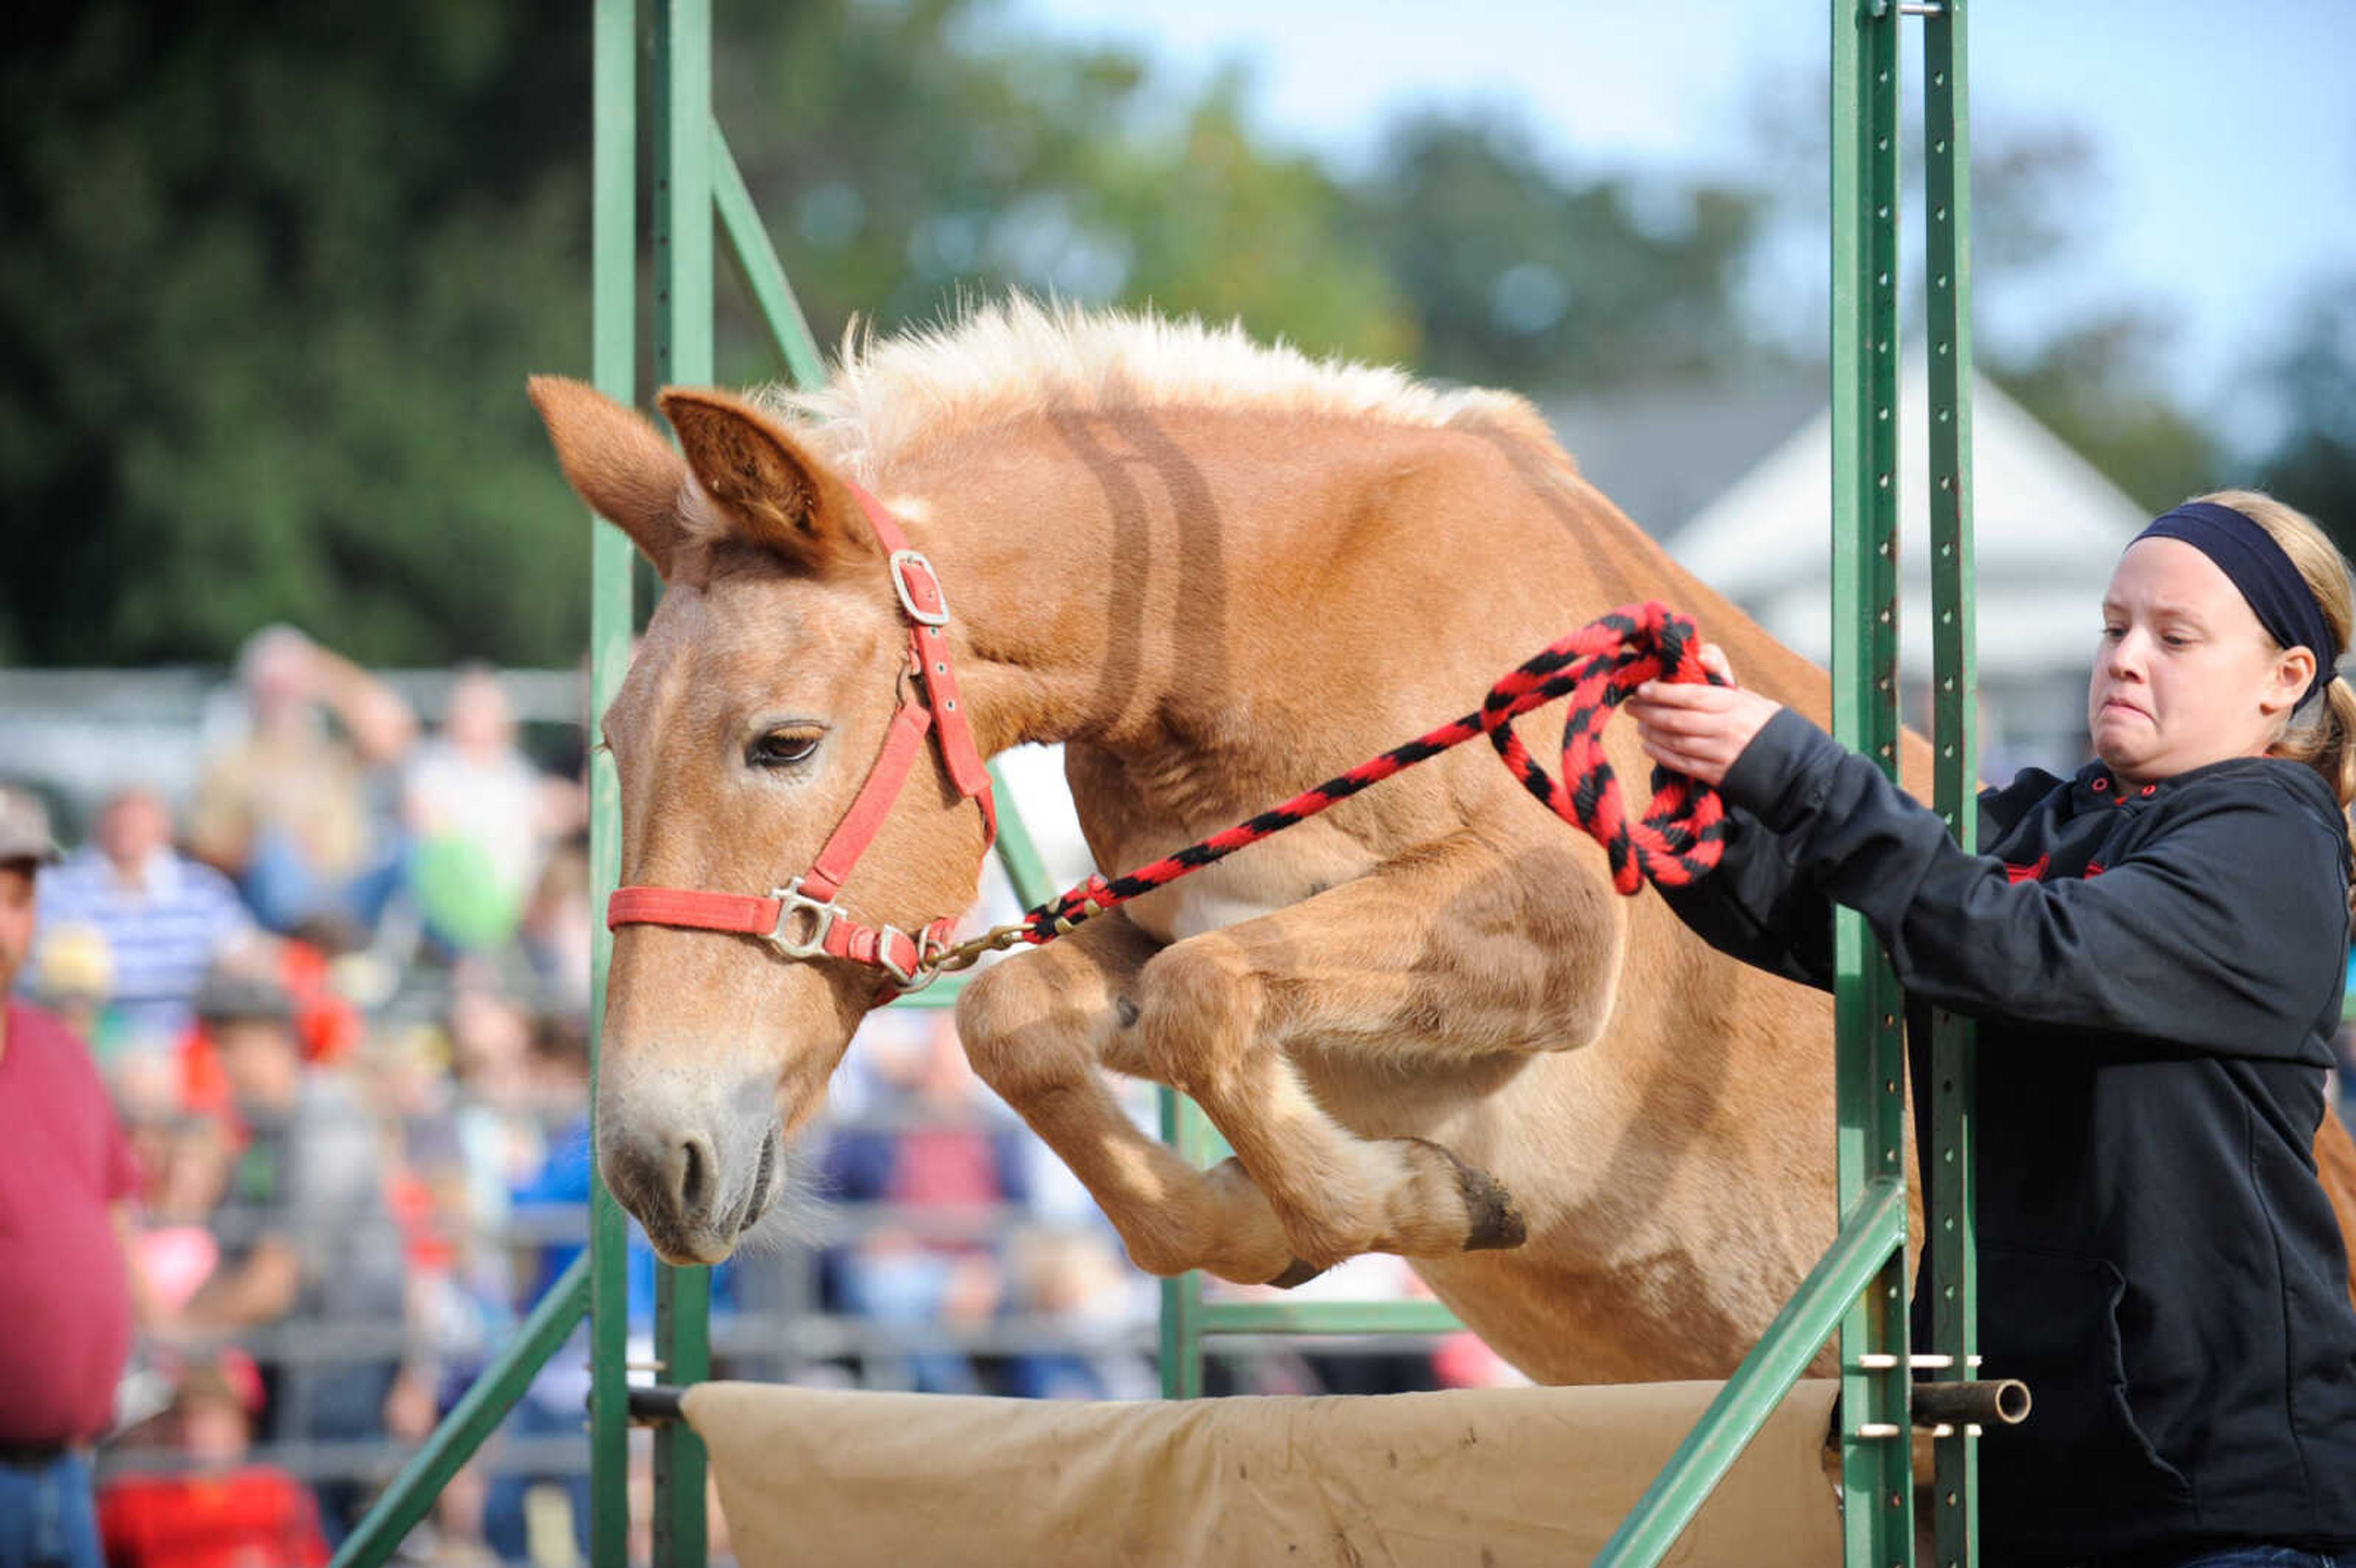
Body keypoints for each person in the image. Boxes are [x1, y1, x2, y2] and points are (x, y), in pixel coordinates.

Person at [1626, 490, 2356, 1565]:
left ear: (2284, 680)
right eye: (2115, 627)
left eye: (2175, 636)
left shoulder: (2269, 842)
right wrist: (1714, 810)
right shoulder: (2048, 817)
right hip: (2029, 1489)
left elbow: (2019, 946)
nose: (2126, 658)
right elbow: (1858, 922)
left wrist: (1798, 767)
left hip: (2223, 1509)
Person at [0, 787, 142, 1568]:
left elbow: (112, 1217)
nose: (4, 924)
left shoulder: (60, 1049)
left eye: (18, 899)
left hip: (65, 1471)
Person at [188, 625, 415, 940]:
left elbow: (395, 729)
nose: (285, 695)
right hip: (277, 905)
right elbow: (206, 846)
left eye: (293, 685)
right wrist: (278, 847)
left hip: (348, 893)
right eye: (275, 687)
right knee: (276, 850)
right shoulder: (231, 763)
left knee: (413, 850)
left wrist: (326, 675)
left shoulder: (333, 753)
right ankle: (312, 939)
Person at [34, 785, 260, 1048]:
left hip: (185, 1038)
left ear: (163, 829)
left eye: (138, 825)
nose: (127, 833)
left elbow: (245, 956)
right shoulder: (62, 887)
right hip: (95, 1033)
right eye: (121, 823)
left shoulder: (202, 889)